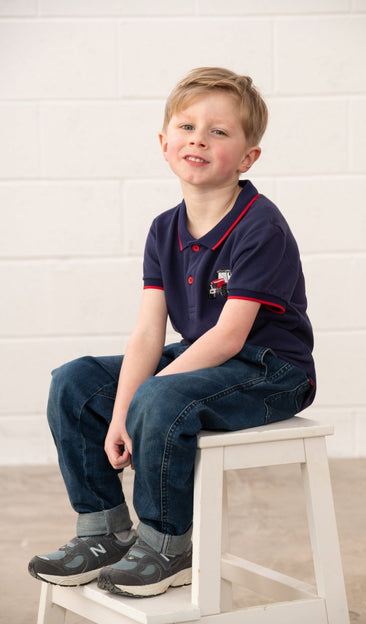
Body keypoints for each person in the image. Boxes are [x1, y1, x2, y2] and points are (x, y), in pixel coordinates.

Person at [28, 67, 316, 598]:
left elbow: (230, 339)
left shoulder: (260, 226)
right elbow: (146, 335)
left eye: (220, 131)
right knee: (75, 383)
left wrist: (142, 402)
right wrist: (119, 412)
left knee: (160, 396)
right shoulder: (165, 228)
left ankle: (167, 546)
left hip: (270, 369)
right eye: (186, 127)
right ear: (164, 144)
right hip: (200, 357)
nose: (199, 139)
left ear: (248, 157)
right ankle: (105, 530)